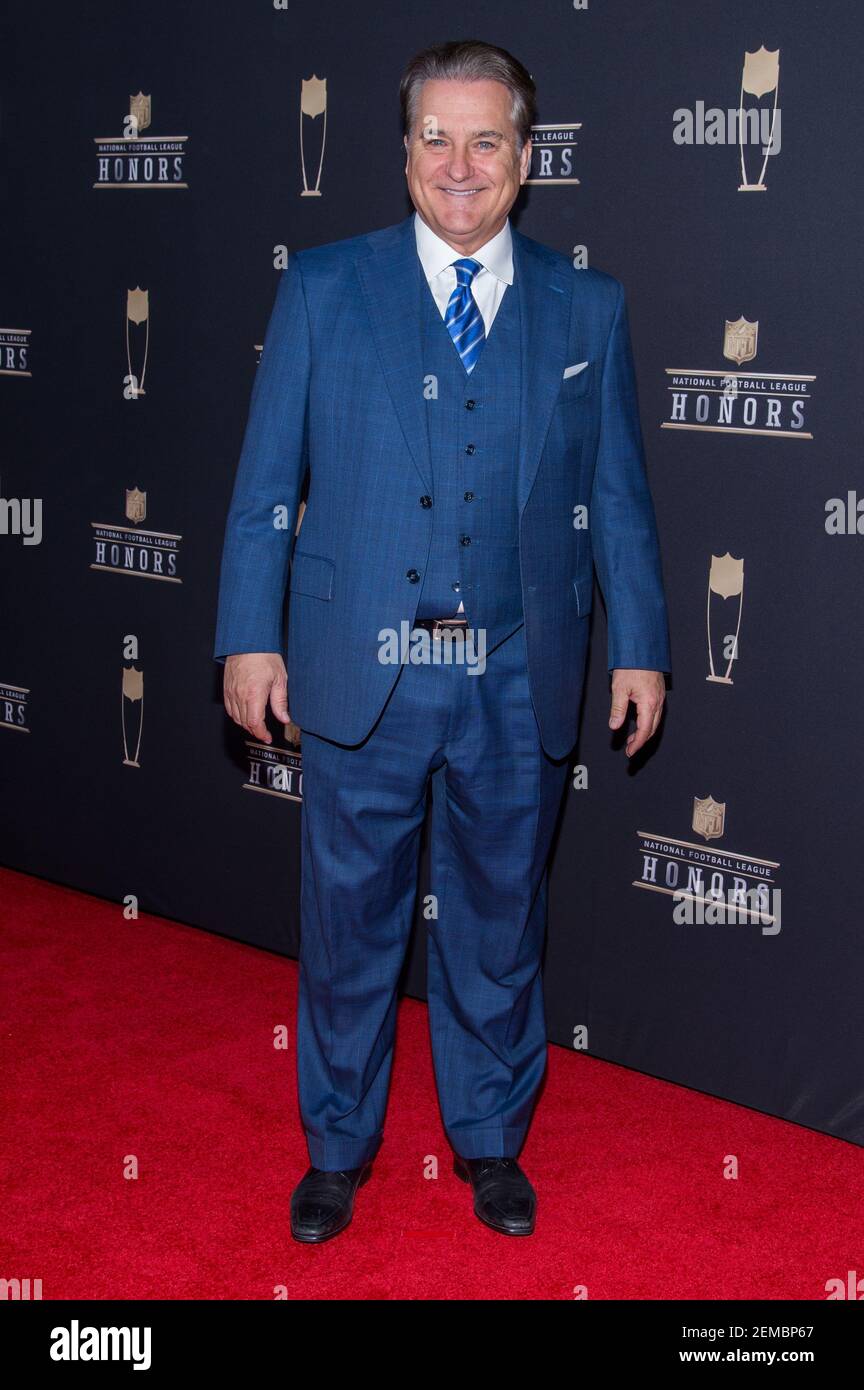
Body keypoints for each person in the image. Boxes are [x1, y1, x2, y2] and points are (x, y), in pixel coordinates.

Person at [214, 39, 670, 1242]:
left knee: (499, 922)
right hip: (365, 668)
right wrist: (245, 638)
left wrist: (643, 645)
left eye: (485, 140)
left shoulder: (589, 303)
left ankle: (487, 1139)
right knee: (348, 923)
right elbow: (267, 485)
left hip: (520, 676)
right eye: (435, 137)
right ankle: (337, 1147)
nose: (457, 165)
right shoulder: (323, 287)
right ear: (403, 150)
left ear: (526, 159)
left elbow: (617, 494)